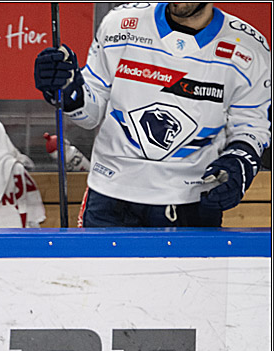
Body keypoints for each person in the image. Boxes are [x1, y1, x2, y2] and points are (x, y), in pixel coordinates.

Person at [33, 2, 271, 228]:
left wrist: (239, 161)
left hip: (193, 201)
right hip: (111, 197)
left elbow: (252, 127)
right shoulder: (120, 24)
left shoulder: (250, 48)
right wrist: (68, 91)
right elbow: (89, 114)